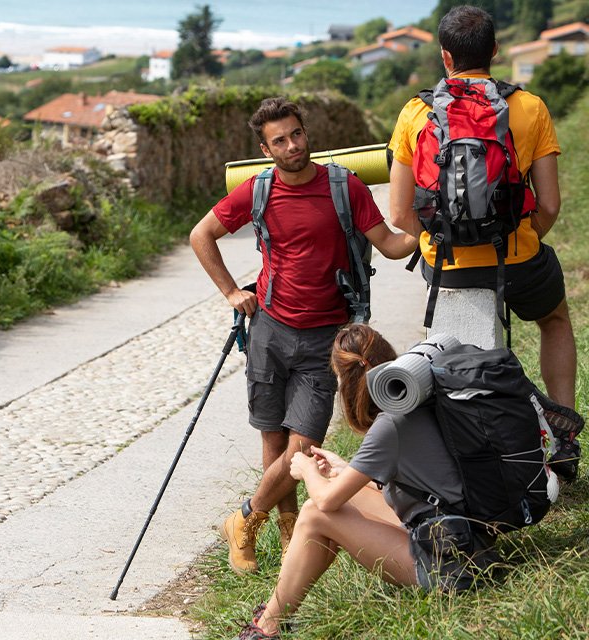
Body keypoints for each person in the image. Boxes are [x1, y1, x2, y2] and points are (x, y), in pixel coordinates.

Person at [190, 97, 417, 574]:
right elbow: (201, 235)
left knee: (303, 447)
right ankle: (290, 532)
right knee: (273, 439)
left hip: (325, 338)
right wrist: (232, 291)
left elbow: (392, 245)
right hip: (269, 328)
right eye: (280, 140)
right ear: (264, 147)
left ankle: (245, 519)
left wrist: (429, 228)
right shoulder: (257, 190)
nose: (292, 145)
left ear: (305, 132)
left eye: (297, 134)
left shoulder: (344, 187)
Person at [235, 324, 499, 639]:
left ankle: (267, 628)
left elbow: (326, 502)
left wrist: (307, 470)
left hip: (446, 567)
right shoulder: (421, 401)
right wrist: (345, 470)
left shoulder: (389, 427)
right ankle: (277, 611)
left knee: (315, 514)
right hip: (472, 543)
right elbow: (410, 491)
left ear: (346, 381)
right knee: (339, 499)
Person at [388, 4, 577, 410]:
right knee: (555, 320)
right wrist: (518, 235)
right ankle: (564, 427)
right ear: (495, 50)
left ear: (445, 55)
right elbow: (550, 204)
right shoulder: (529, 107)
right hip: (518, 259)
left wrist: (440, 238)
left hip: (447, 264)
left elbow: (400, 215)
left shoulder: (415, 113)